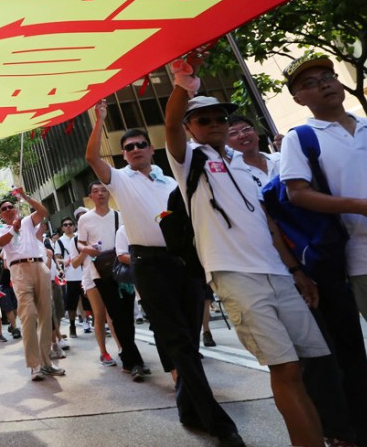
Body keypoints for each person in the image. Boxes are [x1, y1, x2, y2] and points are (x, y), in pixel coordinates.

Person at [165, 52, 329, 447]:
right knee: (285, 369)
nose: (215, 124)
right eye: (203, 119)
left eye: (220, 118)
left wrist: (296, 272)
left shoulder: (243, 163)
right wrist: (183, 83)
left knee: (304, 367)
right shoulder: (189, 161)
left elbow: (268, 226)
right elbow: (169, 124)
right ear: (190, 128)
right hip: (235, 276)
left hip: (279, 275)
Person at [86, 101, 242, 445]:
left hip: (184, 262)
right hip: (148, 265)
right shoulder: (119, 180)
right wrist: (99, 120)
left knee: (189, 338)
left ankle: (188, 409)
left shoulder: (172, 180)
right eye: (129, 147)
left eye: (141, 144)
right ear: (123, 154)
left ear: (151, 148)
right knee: (179, 343)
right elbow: (92, 157)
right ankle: (219, 424)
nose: (136, 150)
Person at [278, 54, 367, 447]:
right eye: (310, 83)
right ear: (298, 98)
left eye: (328, 76)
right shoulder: (301, 138)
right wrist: (359, 206)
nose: (324, 84)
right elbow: (297, 193)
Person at [76, 181, 148, 380]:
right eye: (95, 191)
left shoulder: (119, 215)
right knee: (116, 315)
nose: (100, 193)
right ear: (90, 196)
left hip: (123, 270)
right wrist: (86, 249)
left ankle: (129, 358)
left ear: (109, 194)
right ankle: (134, 361)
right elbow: (80, 242)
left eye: (104, 190)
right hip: (100, 273)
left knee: (128, 315)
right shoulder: (85, 219)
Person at [0, 191, 65, 381]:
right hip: (19, 271)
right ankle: (34, 365)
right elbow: (0, 243)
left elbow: (43, 211)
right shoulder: (1, 230)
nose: (8, 209)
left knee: (45, 316)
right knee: (29, 315)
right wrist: (12, 230)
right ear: (1, 215)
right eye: (4, 209)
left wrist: (25, 197)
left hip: (39, 266)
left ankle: (47, 362)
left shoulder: (27, 222)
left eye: (11, 206)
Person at [226, 115, 280, 188]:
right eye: (233, 133)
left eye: (246, 129)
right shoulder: (232, 175)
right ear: (225, 143)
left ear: (256, 133)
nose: (243, 135)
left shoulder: (281, 158)